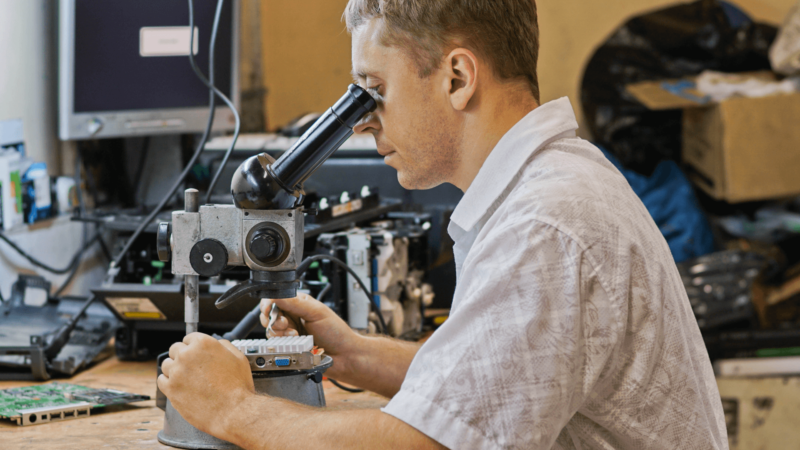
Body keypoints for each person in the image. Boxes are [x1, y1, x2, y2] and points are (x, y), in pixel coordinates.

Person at [157, 1, 729, 448]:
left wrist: (233, 408)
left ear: (457, 77)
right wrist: (356, 355)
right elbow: (491, 388)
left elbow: (424, 444)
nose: (362, 125)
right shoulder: (552, 184)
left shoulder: (544, 225)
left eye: (374, 93)